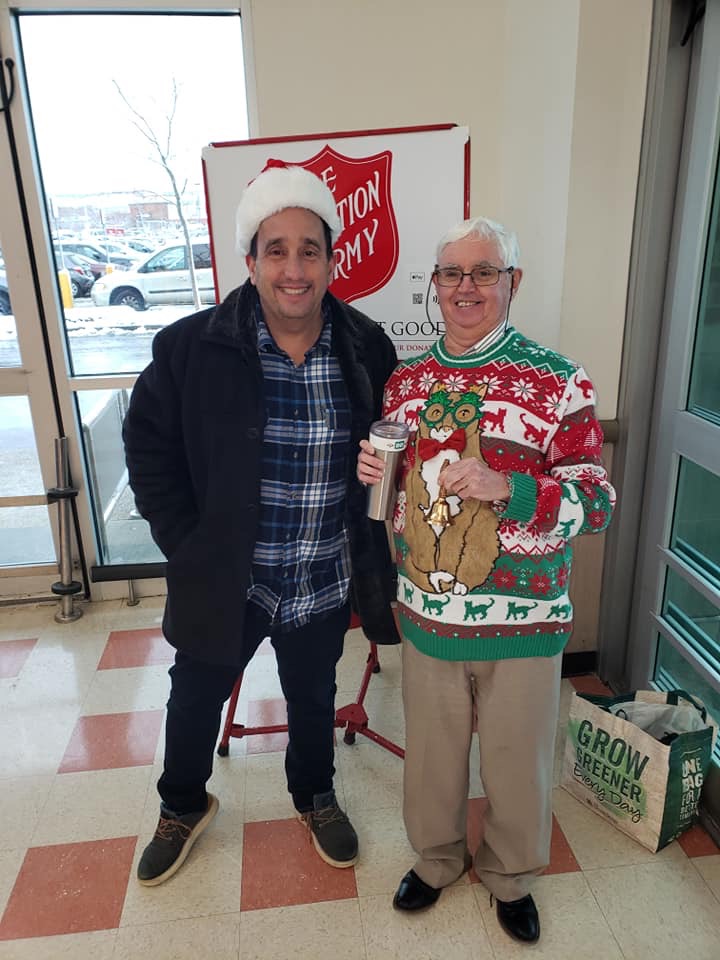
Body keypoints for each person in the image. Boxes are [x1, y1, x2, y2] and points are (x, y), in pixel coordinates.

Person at [123, 163, 399, 886]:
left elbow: (386, 445)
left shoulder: (365, 344)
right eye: (276, 250)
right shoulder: (191, 347)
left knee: (313, 697)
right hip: (227, 573)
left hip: (321, 568)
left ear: (333, 260)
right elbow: (146, 444)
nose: (294, 268)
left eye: (310, 249)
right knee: (195, 697)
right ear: (251, 262)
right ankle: (183, 804)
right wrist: (184, 542)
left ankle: (314, 795)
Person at [357, 216, 615, 944]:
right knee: (433, 759)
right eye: (451, 273)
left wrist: (512, 488)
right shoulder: (405, 383)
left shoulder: (559, 381)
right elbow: (400, 493)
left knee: (515, 762)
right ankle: (436, 860)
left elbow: (595, 501)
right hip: (430, 613)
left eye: (484, 272)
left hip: (526, 619)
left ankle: (509, 874)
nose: (466, 287)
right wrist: (377, 473)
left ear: (513, 282)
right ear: (434, 285)